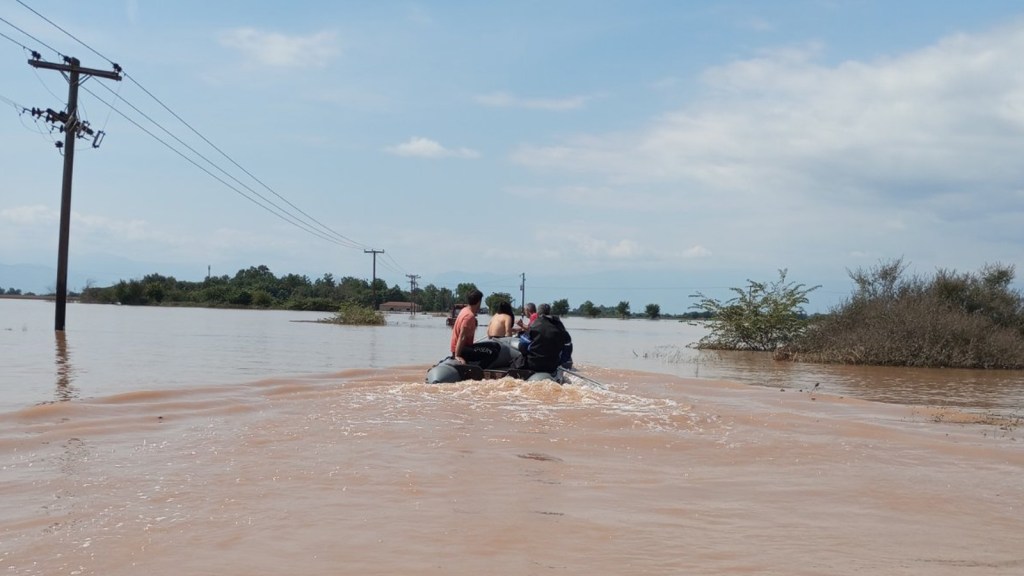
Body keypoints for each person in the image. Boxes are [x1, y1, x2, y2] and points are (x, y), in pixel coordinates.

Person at [514, 303, 573, 373]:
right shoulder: (560, 327)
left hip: (533, 364)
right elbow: (568, 346)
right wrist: (560, 362)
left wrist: (526, 355)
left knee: (515, 363)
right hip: (552, 365)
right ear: (549, 312)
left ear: (538, 313)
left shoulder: (534, 326)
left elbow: (522, 346)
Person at [450, 289, 500, 367]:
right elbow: (462, 336)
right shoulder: (469, 316)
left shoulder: (464, 310)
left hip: (465, 347)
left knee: (495, 345)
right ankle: (478, 369)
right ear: (478, 302)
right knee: (493, 352)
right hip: (462, 350)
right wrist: (457, 355)